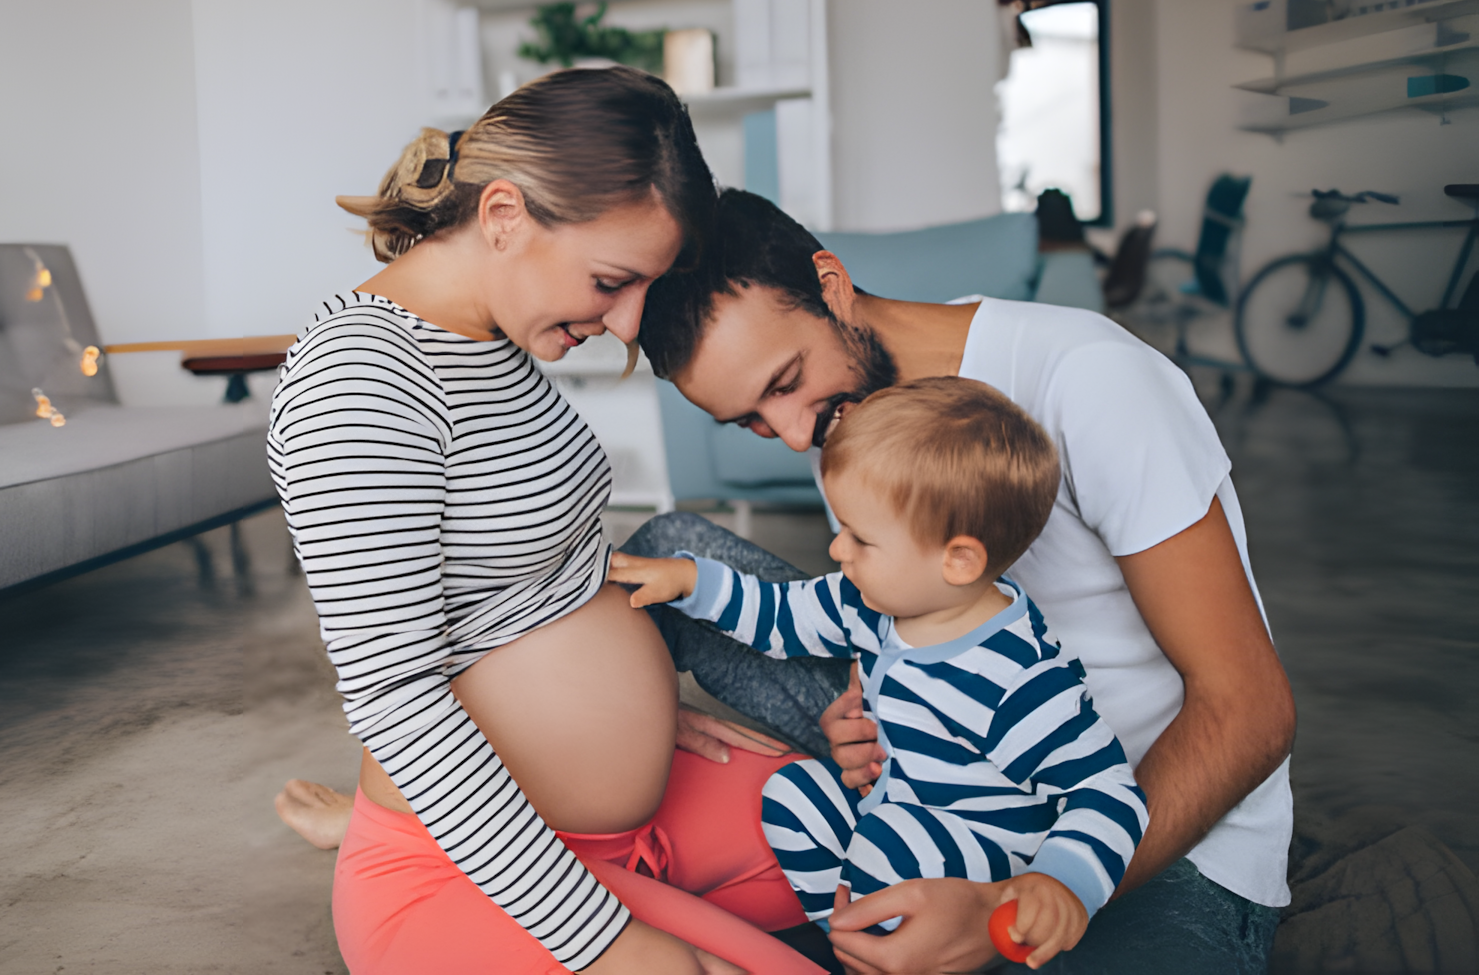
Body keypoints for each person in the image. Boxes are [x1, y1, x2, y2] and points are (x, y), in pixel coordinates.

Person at [277, 186, 1296, 973]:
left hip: (1118, 819)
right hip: (938, 766)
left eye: (784, 385)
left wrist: (1009, 906)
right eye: (753, 423)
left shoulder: (1089, 383)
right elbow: (896, 603)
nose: (798, 434)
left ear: (833, 286)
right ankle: (427, 814)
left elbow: (1250, 710)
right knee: (682, 547)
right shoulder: (848, 417)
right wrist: (875, 696)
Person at [268, 70, 825, 975]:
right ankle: (377, 847)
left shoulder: (491, 334)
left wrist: (636, 713)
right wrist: (610, 944)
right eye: (613, 282)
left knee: (877, 849)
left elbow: (532, 585)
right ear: (502, 217)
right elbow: (395, 699)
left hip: (614, 815)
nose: (629, 323)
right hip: (467, 866)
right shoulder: (360, 382)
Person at [611, 376, 1149, 972]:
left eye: (860, 539)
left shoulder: (1017, 678)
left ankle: (882, 939)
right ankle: (853, 944)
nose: (838, 551)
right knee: (792, 796)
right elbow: (781, 615)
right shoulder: (873, 600)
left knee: (889, 841)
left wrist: (1060, 881)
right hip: (896, 805)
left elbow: (1107, 791)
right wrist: (691, 582)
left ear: (959, 560)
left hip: (986, 855)